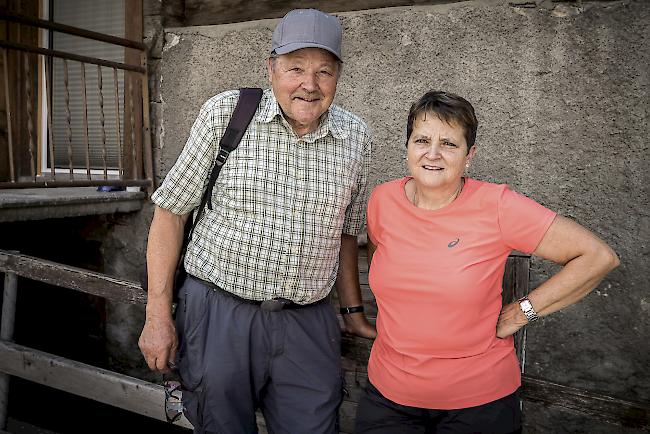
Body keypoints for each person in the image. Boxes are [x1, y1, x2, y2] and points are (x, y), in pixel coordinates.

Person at [138, 8, 376, 434]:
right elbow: (171, 212)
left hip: (308, 321)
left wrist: (353, 312)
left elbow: (345, 235)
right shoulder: (227, 114)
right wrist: (157, 314)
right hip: (219, 314)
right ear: (271, 68)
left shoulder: (356, 136)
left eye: (324, 71)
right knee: (220, 424)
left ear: (339, 76)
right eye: (296, 68)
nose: (310, 84)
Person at [355, 90, 620, 434]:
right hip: (389, 396)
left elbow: (598, 256)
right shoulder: (383, 200)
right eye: (422, 140)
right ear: (407, 147)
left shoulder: (498, 206)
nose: (432, 154)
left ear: (469, 155)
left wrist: (521, 311)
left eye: (449, 144)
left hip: (477, 403)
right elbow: (382, 267)